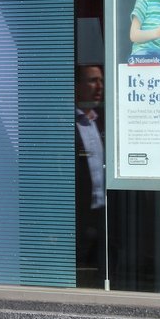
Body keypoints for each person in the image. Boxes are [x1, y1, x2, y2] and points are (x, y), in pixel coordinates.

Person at [74, 65, 105, 284]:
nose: (99, 87)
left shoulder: (101, 120)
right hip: (79, 213)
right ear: (76, 86)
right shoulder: (66, 124)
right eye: (92, 81)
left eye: (100, 81)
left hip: (103, 211)